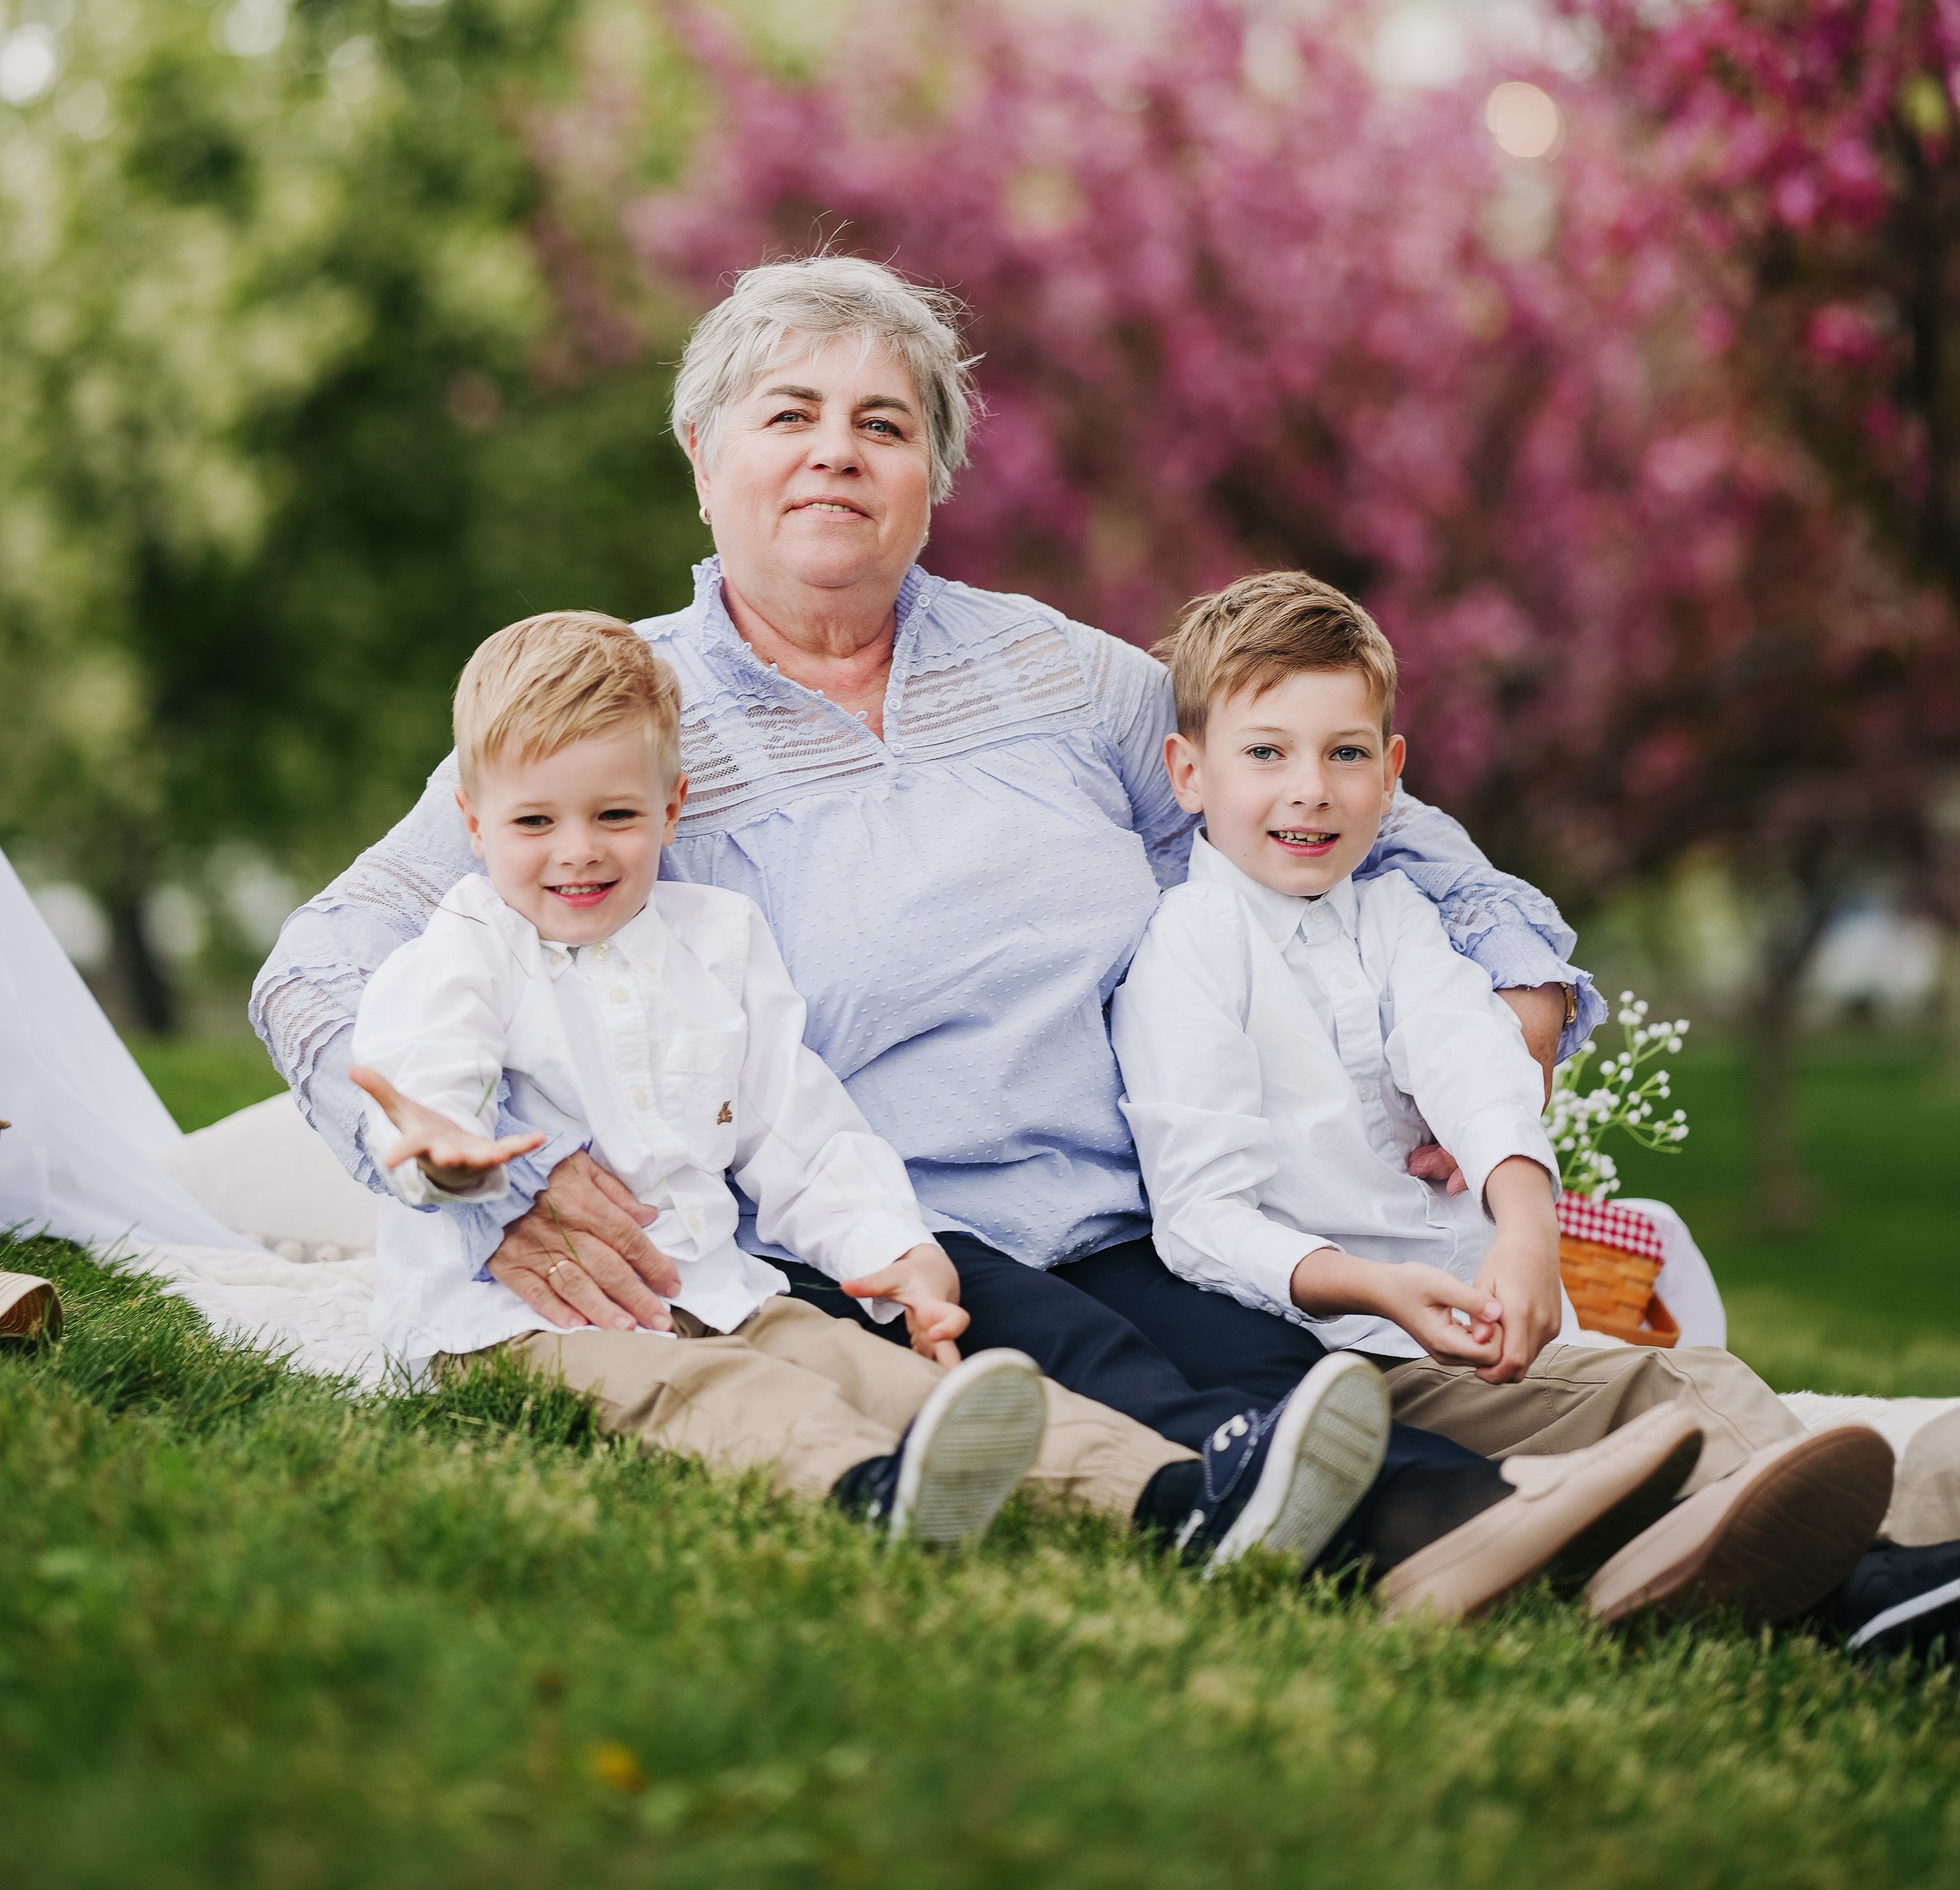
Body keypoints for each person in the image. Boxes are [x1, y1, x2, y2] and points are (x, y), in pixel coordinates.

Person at [250, 257, 1717, 1603]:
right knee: (1191, 1409)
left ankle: (1813, 1559)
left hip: (1142, 1218)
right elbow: (319, 964)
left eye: (885, 423)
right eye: (791, 413)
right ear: (703, 459)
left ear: (933, 479)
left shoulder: (1058, 676)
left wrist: (1517, 969)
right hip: (873, 1250)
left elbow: (1315, 788)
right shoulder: (608, 727)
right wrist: (510, 1175)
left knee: (1302, 1370)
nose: (839, 449)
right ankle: (1488, 1535)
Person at [349, 604, 1403, 1570]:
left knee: (902, 1379)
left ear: (671, 809)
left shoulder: (716, 940)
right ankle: (869, 1491)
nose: (578, 853)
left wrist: (889, 1251)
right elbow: (424, 1065)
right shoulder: (466, 947)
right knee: (728, 1394)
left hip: (714, 1288)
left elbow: (795, 1123)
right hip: (520, 1323)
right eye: (536, 824)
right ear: (475, 823)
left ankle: (1181, 1499)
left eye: (614, 817)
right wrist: (448, 1158)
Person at [1112, 568, 1958, 1653]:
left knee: (1689, 1380)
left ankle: (1859, 1554)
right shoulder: (1191, 951)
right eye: (1266, 752)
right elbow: (1201, 1219)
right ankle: (1870, 1583)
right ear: (1189, 772)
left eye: (1347, 753)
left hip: (1465, 1335)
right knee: (1661, 1389)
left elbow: (1471, 1055)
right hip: (1354, 1353)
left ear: (1393, 773)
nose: (1310, 789)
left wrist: (1525, 1225)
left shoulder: (1394, 916)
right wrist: (1374, 1286)